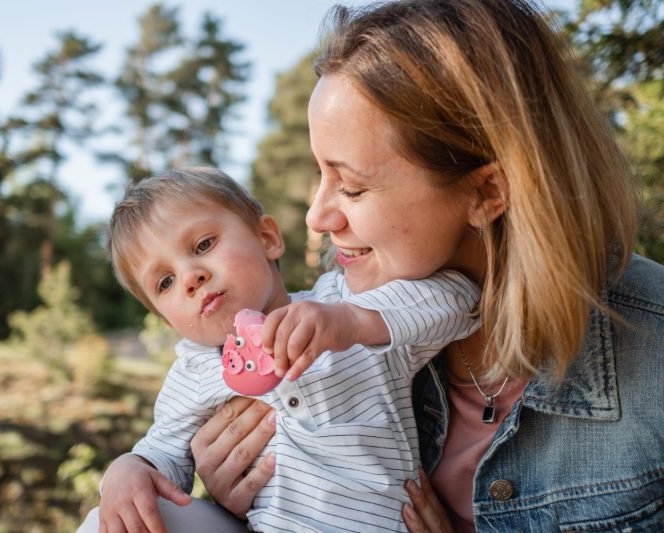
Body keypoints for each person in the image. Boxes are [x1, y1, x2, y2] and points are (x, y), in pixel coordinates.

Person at [186, 0, 664, 531]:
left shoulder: (654, 349)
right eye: (320, 173)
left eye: (352, 186)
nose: (317, 217)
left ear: (487, 191)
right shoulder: (330, 329)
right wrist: (247, 497)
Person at [80, 166, 481, 532]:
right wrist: (129, 467)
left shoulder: (342, 301)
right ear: (168, 321)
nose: (190, 277)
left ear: (267, 238)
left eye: (202, 245)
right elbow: (163, 452)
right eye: (165, 282)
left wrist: (355, 321)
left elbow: (463, 301)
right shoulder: (195, 371)